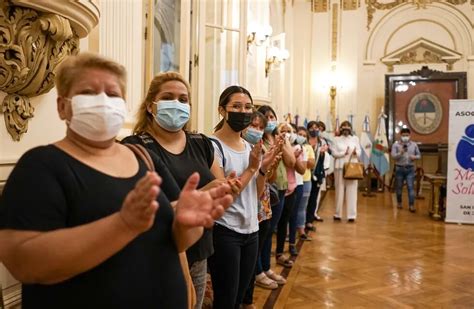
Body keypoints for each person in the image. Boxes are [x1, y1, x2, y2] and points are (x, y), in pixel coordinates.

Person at [0, 53, 233, 309]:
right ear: (62, 106)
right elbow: (24, 262)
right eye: (88, 93)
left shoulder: (143, 157)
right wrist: (123, 224)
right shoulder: (40, 166)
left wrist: (187, 225)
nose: (103, 102)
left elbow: (175, 241)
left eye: (112, 95)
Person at [121, 72, 233, 309]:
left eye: (183, 100)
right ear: (152, 106)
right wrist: (202, 194)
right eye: (168, 97)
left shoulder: (201, 143)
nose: (177, 104)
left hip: (199, 253)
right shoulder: (135, 147)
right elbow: (134, 207)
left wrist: (226, 188)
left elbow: (221, 189)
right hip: (158, 255)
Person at [208, 86, 275, 309]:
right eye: (236, 106)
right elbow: (226, 191)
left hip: (251, 230)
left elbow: (254, 192)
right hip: (225, 230)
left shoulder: (249, 146)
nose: (243, 111)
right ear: (222, 110)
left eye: (248, 107)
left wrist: (262, 170)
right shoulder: (212, 146)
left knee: (239, 298)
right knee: (225, 299)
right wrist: (252, 167)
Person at [242, 111, 282, 307]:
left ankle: (248, 299)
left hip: (262, 206)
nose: (257, 130)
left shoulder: (263, 148)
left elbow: (270, 179)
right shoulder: (241, 149)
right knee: (244, 265)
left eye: (260, 127)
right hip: (246, 209)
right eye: (253, 125)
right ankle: (244, 298)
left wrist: (271, 165)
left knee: (253, 257)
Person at [255, 105, 288, 285]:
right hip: (256, 195)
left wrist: (279, 149)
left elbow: (271, 175)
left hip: (269, 193)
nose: (260, 129)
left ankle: (265, 267)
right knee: (260, 235)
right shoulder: (255, 143)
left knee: (267, 232)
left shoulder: (275, 138)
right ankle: (258, 270)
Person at [332, 121, 361, 222]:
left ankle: (351, 215)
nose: (346, 128)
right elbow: (334, 152)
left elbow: (359, 152)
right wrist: (343, 153)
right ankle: (337, 213)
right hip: (340, 166)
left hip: (352, 166)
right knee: (339, 190)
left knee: (352, 190)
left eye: (348, 126)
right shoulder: (336, 139)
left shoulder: (355, 139)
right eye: (344, 126)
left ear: (350, 128)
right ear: (340, 128)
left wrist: (355, 152)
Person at [305, 121, 329, 231]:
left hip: (317, 173)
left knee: (313, 198)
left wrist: (323, 152)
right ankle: (302, 221)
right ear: (308, 129)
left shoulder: (321, 141)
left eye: (316, 128)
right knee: (304, 198)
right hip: (305, 173)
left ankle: (309, 221)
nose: (314, 130)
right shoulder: (304, 140)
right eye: (311, 127)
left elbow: (325, 157)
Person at [292, 126, 315, 241]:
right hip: (292, 180)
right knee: (290, 208)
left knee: (301, 207)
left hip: (305, 180)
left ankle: (301, 229)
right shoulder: (290, 146)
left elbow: (311, 164)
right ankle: (288, 231)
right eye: (299, 134)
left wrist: (304, 157)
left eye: (304, 135)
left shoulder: (308, 148)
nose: (301, 136)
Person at [391, 127, 421, 212]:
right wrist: (400, 153)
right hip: (399, 169)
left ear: (410, 135)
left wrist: (414, 157)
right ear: (400, 135)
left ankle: (411, 205)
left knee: (410, 187)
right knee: (399, 188)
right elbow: (393, 156)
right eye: (403, 135)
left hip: (410, 169)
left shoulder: (414, 145)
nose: (405, 137)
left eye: (407, 135)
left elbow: (419, 155)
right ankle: (399, 202)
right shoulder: (395, 145)